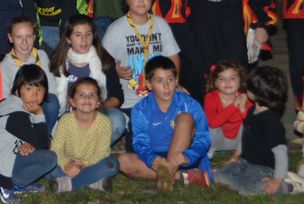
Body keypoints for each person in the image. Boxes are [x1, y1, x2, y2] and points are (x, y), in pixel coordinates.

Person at [117, 56, 211, 191]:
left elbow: (204, 137)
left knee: (185, 118)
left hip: (183, 156)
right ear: (149, 84)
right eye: (159, 81)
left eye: (170, 80)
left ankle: (167, 178)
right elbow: (140, 142)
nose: (166, 86)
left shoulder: (190, 104)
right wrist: (152, 158)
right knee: (122, 161)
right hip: (157, 158)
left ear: (177, 81)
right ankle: (181, 176)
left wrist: (188, 156)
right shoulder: (140, 109)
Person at [214, 66, 303, 195]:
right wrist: (235, 156)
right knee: (219, 176)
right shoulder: (251, 110)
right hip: (245, 162)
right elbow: (245, 135)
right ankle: (242, 182)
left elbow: (281, 152)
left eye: (249, 86)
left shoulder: (270, 121)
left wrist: (277, 179)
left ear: (258, 92)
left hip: (264, 167)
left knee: (248, 189)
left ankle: (288, 185)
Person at [0, 64, 57, 204]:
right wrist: (39, 115)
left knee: (38, 151)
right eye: (29, 89)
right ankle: (4, 183)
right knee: (50, 158)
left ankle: (19, 184)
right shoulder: (17, 115)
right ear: (17, 90)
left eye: (39, 89)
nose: (35, 95)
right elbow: (43, 145)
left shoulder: (9, 103)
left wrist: (29, 142)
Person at [102, 0, 180, 112]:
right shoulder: (115, 30)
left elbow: (173, 57)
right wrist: (113, 71)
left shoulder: (160, 24)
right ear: (126, 0)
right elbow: (100, 65)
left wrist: (174, 84)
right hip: (127, 102)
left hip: (160, 97)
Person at [48, 14, 126, 145]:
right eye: (78, 35)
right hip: (67, 117)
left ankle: (93, 152)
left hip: (97, 114)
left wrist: (97, 107)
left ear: (93, 36)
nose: (84, 40)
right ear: (68, 38)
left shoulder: (104, 60)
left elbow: (117, 96)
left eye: (88, 34)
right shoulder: (56, 62)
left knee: (117, 119)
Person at [48, 78, 120, 192]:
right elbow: (56, 148)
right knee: (48, 164)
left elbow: (102, 152)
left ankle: (67, 183)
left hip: (91, 164)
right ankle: (93, 181)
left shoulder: (104, 122)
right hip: (67, 163)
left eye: (92, 95)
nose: (87, 98)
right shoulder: (65, 120)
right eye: (81, 95)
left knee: (112, 165)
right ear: (72, 102)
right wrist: (67, 164)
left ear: (98, 102)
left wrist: (83, 164)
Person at [0, 16, 59, 131]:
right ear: (10, 38)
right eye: (19, 37)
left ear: (34, 37)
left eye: (29, 36)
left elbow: (51, 83)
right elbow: (5, 96)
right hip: (19, 106)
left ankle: (46, 135)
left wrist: (38, 102)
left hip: (41, 102)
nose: (24, 42)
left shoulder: (41, 56)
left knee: (52, 102)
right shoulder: (5, 66)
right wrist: (23, 105)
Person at [204, 60, 252, 160]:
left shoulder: (245, 98)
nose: (227, 82)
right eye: (222, 79)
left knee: (249, 124)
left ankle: (241, 153)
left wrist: (242, 106)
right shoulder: (211, 97)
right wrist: (234, 105)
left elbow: (249, 123)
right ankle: (209, 154)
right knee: (210, 126)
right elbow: (212, 123)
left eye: (232, 78)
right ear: (216, 83)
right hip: (219, 142)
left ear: (240, 81)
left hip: (239, 142)